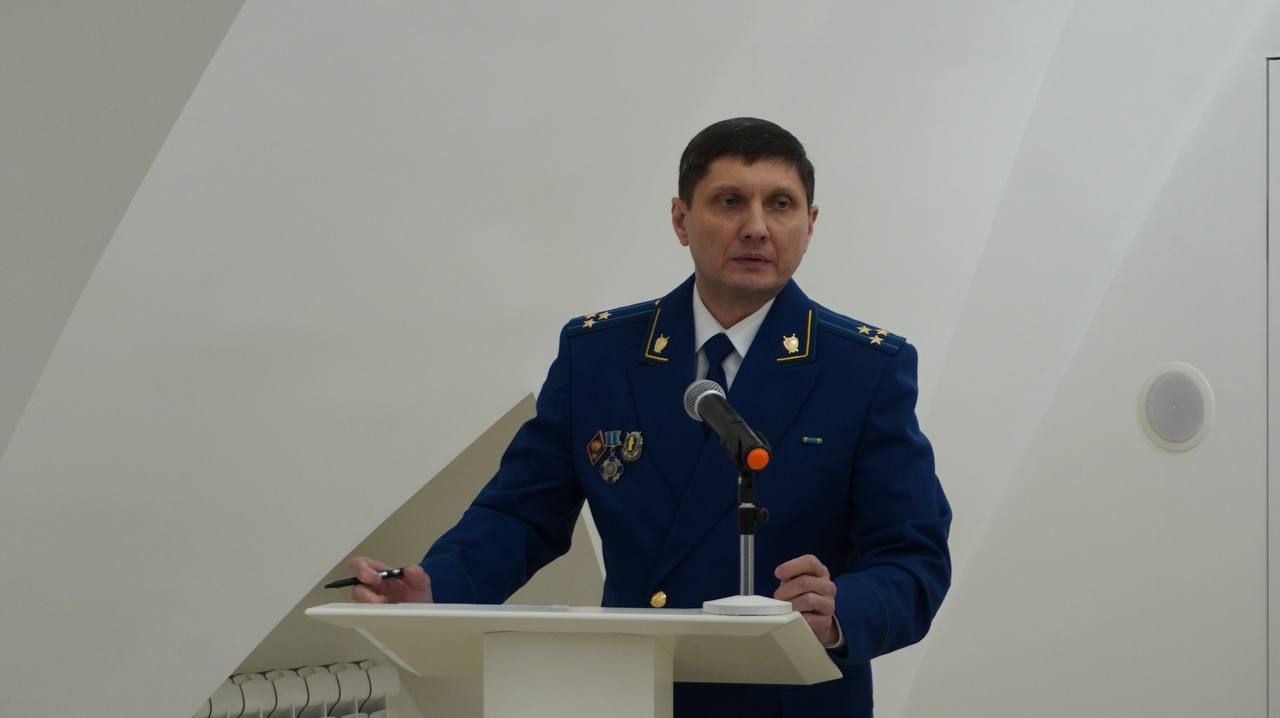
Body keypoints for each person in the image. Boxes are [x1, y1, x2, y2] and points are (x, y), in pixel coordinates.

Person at [347, 117, 952, 717]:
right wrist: (440, 585)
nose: (756, 227)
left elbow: (912, 555)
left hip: (790, 702)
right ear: (681, 219)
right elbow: (521, 514)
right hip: (633, 690)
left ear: (810, 224)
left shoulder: (863, 369)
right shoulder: (599, 355)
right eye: (729, 202)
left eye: (781, 204)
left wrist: (840, 610)